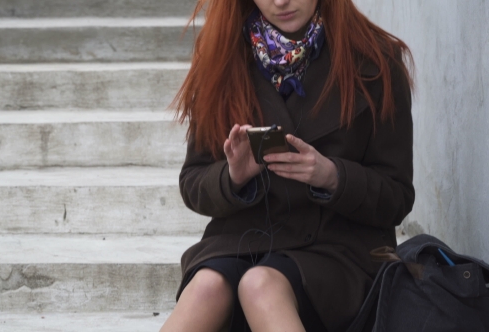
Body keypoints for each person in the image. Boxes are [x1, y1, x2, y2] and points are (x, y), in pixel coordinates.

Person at [160, 0, 414, 331]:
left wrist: (332, 176)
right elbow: (193, 182)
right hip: (243, 239)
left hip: (338, 247)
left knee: (260, 285)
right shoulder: (222, 57)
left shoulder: (376, 59)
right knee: (206, 286)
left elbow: (397, 196)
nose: (280, 1)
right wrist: (233, 176)